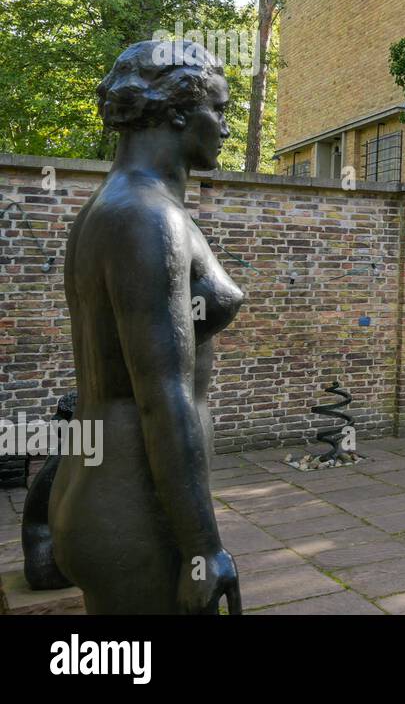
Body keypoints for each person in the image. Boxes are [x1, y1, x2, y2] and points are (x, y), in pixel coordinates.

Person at [49, 40, 244, 613]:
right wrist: (203, 549)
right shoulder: (146, 218)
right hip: (134, 513)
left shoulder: (115, 207)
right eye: (221, 110)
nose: (227, 129)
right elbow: (162, 396)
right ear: (180, 112)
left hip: (111, 489)